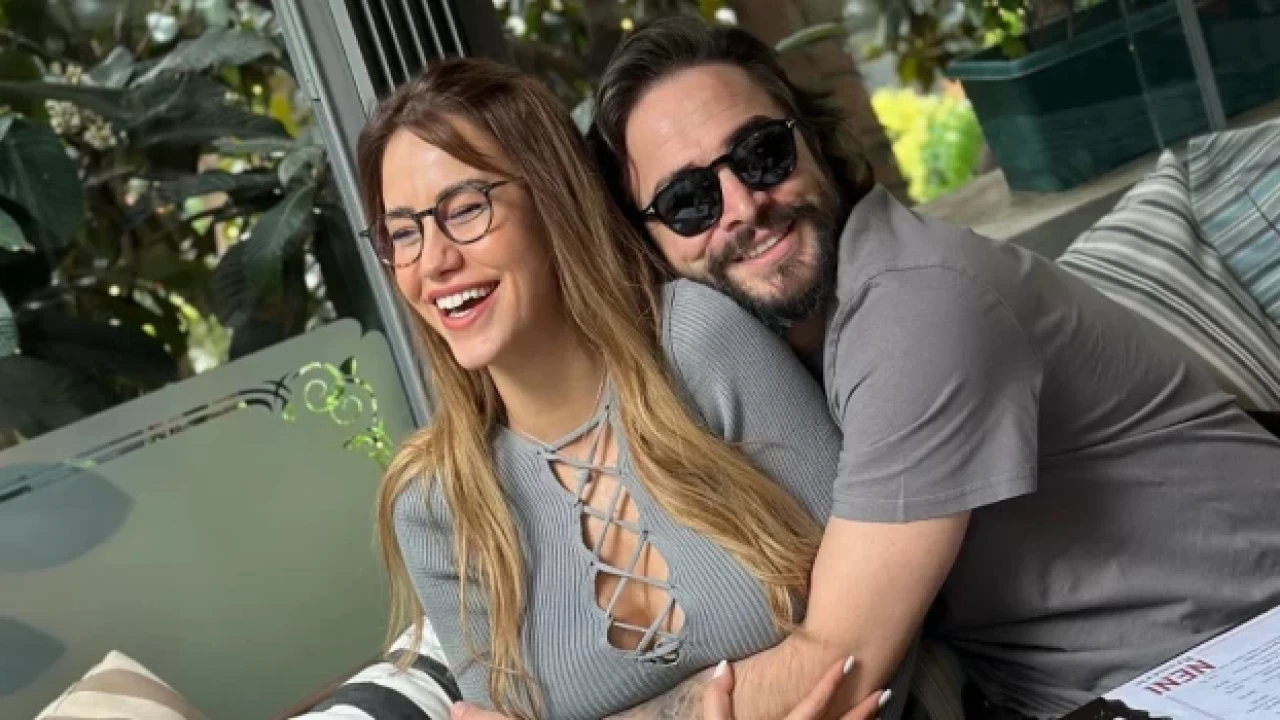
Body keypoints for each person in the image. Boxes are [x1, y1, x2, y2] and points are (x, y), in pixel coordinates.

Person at [586, 15, 1280, 720]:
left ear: (813, 141)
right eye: (689, 202)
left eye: (763, 153)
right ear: (648, 245)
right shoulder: (766, 365)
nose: (744, 206)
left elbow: (838, 664)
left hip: (1237, 647)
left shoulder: (915, 307)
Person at [353, 57, 907, 720]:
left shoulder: (699, 343)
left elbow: (873, 630)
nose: (434, 261)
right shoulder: (436, 503)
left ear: (553, 197)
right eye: (402, 233)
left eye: (466, 209)